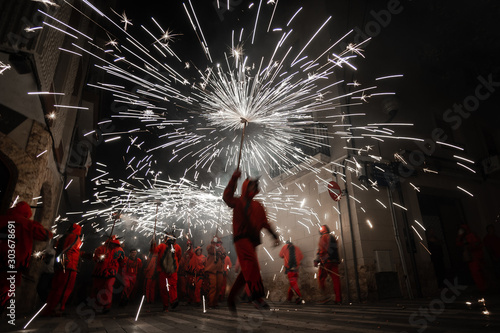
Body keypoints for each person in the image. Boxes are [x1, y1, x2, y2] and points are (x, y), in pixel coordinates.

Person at [223, 169, 280, 314]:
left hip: (253, 241)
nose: (253, 187)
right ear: (245, 186)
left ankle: (231, 298)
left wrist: (274, 235)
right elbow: (226, 197)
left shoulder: (258, 206)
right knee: (252, 264)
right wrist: (234, 178)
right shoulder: (237, 201)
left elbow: (265, 223)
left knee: (246, 272)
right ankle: (257, 297)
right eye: (251, 185)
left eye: (255, 186)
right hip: (241, 239)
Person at [0, 201, 52, 311]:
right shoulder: (28, 224)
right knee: (6, 290)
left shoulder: (2, 219)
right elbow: (46, 235)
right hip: (13, 263)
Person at [43, 223, 82, 316]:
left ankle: (49, 309)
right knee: (65, 289)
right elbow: (69, 249)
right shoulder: (75, 237)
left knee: (55, 288)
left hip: (59, 266)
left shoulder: (62, 237)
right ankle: (58, 309)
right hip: (69, 266)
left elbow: (60, 249)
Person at [90, 235, 125, 313]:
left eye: (114, 243)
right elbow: (95, 258)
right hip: (99, 272)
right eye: (111, 243)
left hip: (111, 272)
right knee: (98, 288)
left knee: (108, 287)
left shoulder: (120, 250)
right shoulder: (100, 248)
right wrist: (99, 258)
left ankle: (107, 306)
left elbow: (122, 262)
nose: (112, 245)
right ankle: (97, 305)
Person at [154, 232, 182, 312]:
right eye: (169, 238)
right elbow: (155, 251)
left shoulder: (177, 247)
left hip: (173, 271)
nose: (170, 239)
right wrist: (153, 243)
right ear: (166, 239)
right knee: (164, 289)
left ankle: (173, 301)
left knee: (173, 286)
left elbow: (179, 257)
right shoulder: (162, 246)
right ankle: (165, 305)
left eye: (172, 238)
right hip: (163, 271)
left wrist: (175, 266)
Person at [314, 225, 342, 304]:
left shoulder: (323, 237)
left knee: (321, 278)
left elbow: (322, 251)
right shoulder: (333, 237)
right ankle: (338, 299)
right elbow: (333, 250)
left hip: (326, 263)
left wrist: (317, 260)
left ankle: (325, 297)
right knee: (336, 280)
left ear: (322, 230)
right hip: (335, 262)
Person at [456, 224, 487, 292]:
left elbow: (477, 244)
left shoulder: (470, 235)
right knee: (476, 273)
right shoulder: (463, 237)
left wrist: (469, 246)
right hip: (472, 257)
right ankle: (482, 287)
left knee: (478, 272)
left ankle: (483, 287)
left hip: (475, 257)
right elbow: (458, 244)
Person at [205, 236, 226, 308]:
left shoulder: (222, 248)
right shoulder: (210, 247)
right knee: (212, 287)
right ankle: (210, 303)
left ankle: (215, 302)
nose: (219, 243)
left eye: (219, 242)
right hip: (211, 270)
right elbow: (210, 249)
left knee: (219, 287)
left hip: (219, 270)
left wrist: (220, 252)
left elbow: (224, 256)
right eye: (217, 242)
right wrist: (213, 244)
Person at [143, 240, 159, 307]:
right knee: (152, 288)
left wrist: (145, 270)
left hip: (150, 274)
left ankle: (148, 300)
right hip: (155, 274)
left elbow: (149, 266)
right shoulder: (156, 255)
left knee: (148, 288)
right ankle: (151, 300)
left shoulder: (153, 256)